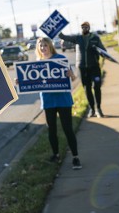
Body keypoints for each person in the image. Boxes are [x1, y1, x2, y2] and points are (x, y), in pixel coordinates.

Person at [35, 37, 82, 170]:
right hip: (48, 101)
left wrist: (71, 75)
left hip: (63, 100)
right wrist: (20, 82)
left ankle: (75, 157)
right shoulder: (38, 63)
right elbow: (33, 82)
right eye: (41, 46)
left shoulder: (60, 59)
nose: (43, 48)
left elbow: (73, 78)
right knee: (52, 130)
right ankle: (55, 155)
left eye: (45, 45)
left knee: (68, 129)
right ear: (38, 48)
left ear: (50, 46)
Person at [58, 21, 106, 118]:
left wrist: (101, 53)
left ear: (89, 28)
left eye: (86, 27)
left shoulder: (95, 38)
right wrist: (58, 29)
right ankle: (92, 109)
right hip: (82, 68)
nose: (84, 28)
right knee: (87, 89)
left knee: (96, 87)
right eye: (82, 27)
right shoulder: (77, 38)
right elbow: (63, 37)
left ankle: (98, 109)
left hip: (94, 67)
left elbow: (103, 50)